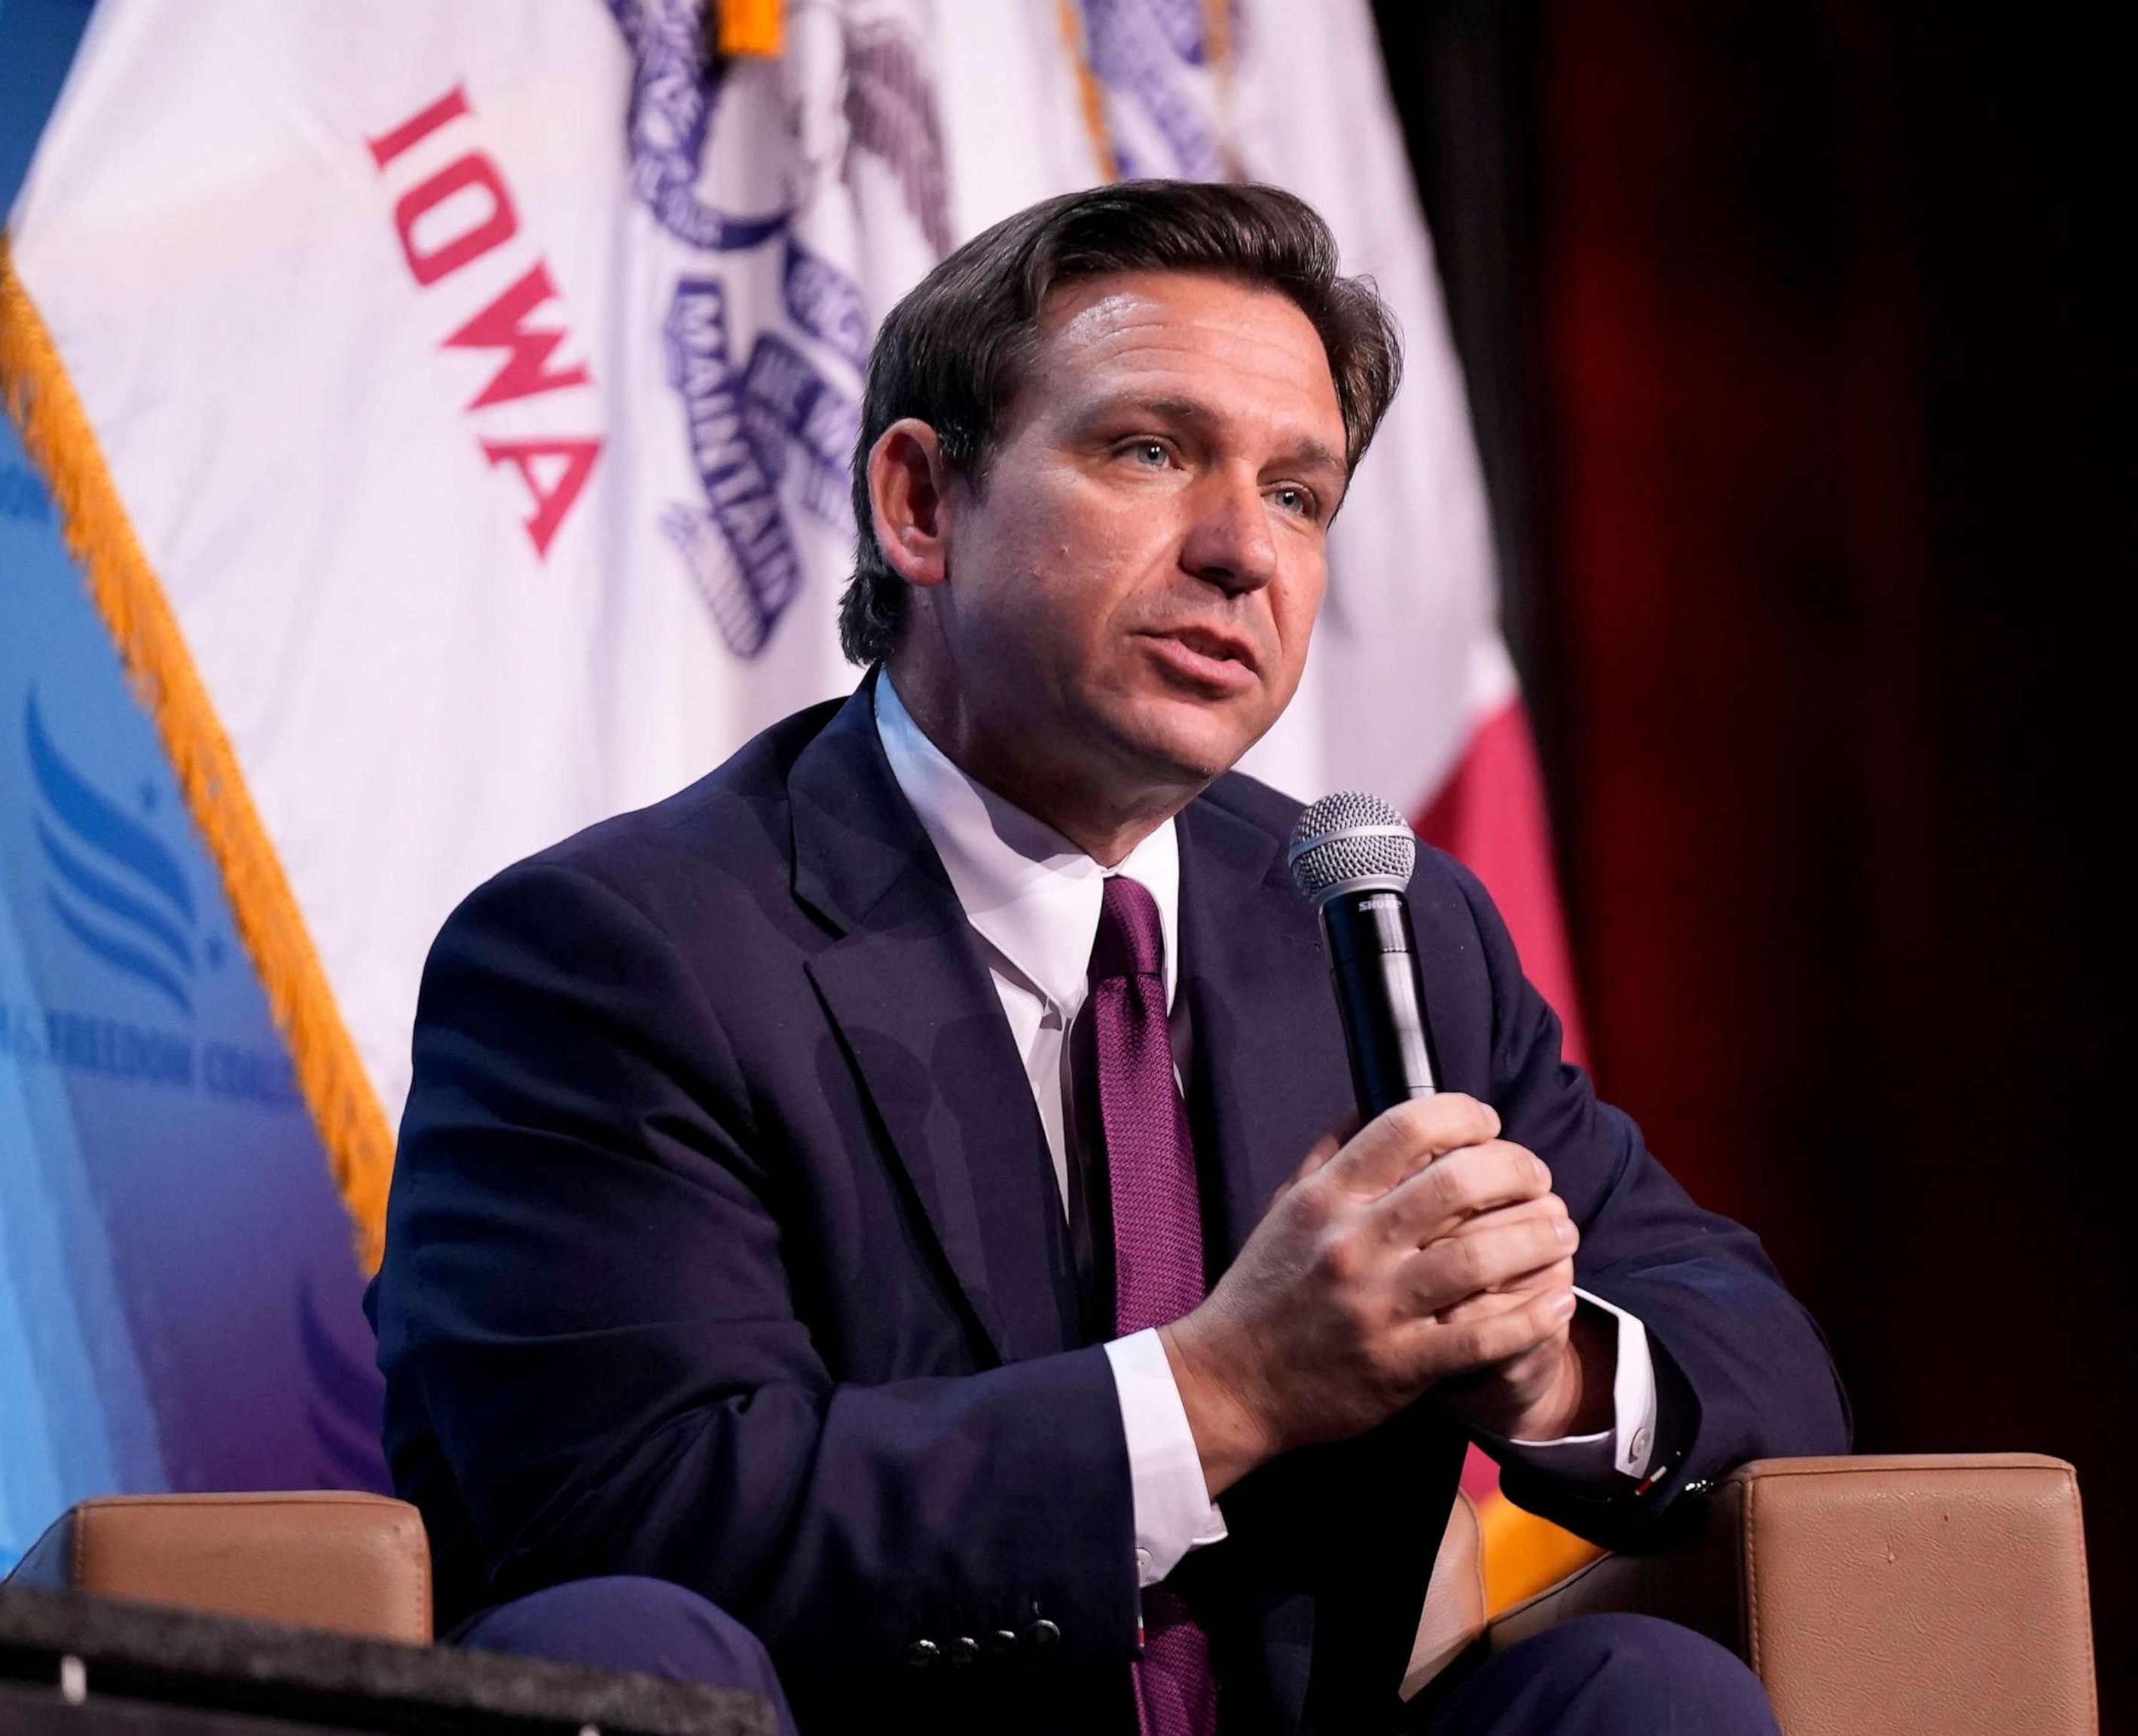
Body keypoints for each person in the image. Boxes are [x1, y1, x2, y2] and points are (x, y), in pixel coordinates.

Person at [367, 180, 1849, 1735]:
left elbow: (1753, 1360)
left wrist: (1542, 1360)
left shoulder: (1379, 931)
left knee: (1643, 1692)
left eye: (1300, 495)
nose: (1241, 552)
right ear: (921, 504)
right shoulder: (619, 956)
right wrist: (1228, 1388)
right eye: (1151, 451)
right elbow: (629, 1519)